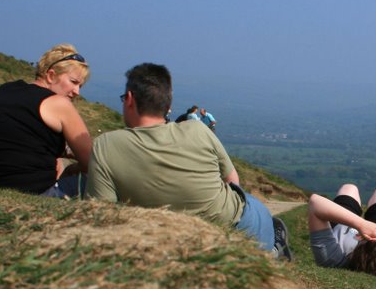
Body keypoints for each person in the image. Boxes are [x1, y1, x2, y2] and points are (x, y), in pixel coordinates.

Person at [86, 63, 292, 259]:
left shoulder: (105, 145)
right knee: (250, 204)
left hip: (169, 240)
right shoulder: (197, 129)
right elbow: (232, 178)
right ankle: (272, 249)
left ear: (129, 98)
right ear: (168, 103)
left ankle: (270, 247)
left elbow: (104, 216)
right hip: (240, 227)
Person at [0, 44, 93, 198]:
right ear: (51, 75)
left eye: (80, 85)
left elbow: (22, 139)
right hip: (33, 191)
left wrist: (60, 155)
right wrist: (71, 170)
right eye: (73, 82)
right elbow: (92, 162)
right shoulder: (59, 104)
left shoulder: (5, 90)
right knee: (100, 179)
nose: (77, 92)